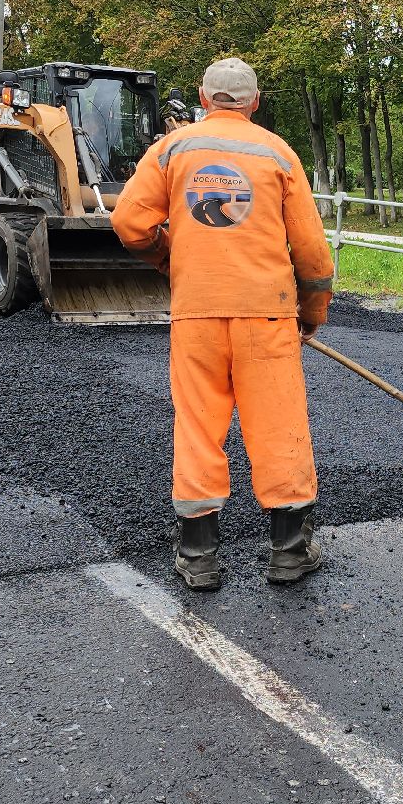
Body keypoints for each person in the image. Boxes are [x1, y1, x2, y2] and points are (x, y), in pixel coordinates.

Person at [110, 57, 336, 592]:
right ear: (255, 102)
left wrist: (169, 255)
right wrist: (311, 314)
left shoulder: (172, 149)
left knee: (197, 426)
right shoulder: (277, 153)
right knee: (278, 425)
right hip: (267, 314)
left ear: (202, 97)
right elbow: (311, 253)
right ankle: (289, 551)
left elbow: (129, 222)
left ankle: (198, 556)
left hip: (197, 314)